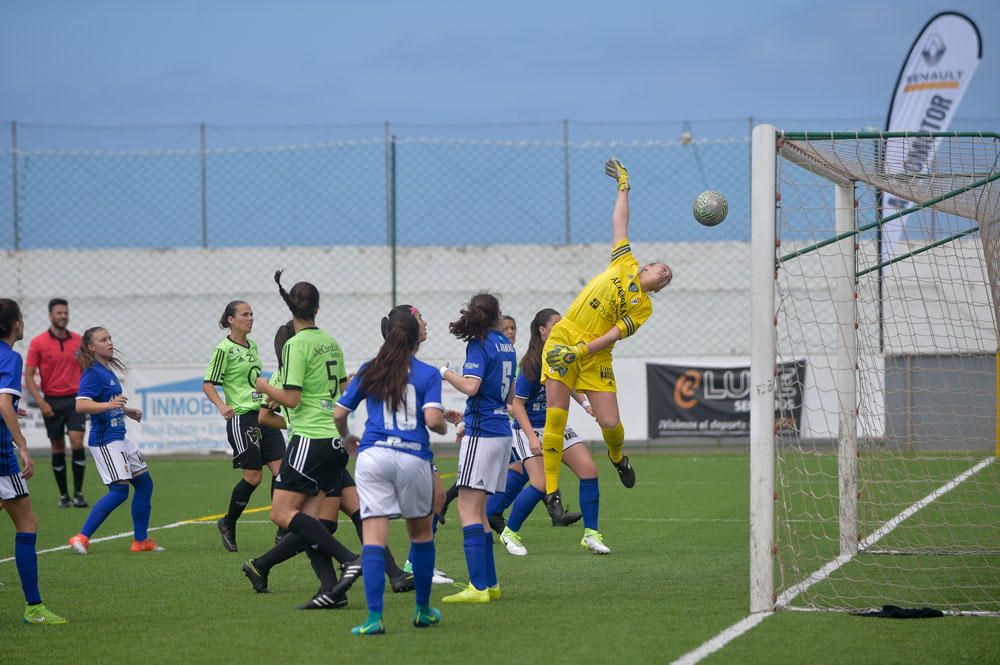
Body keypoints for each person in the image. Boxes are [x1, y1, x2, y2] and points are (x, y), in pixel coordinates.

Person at [540, 159, 672, 522]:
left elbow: (613, 333)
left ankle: (617, 457)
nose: (665, 275)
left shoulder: (643, 308)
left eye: (668, 278)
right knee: (555, 417)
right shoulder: (625, 261)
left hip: (594, 356)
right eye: (662, 269)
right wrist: (624, 186)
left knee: (610, 424)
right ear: (646, 268)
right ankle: (551, 494)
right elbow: (620, 221)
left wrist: (582, 351)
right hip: (563, 338)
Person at [335, 306, 447, 635]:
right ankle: (423, 611)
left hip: (373, 456)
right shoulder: (427, 374)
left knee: (373, 537)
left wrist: (346, 439)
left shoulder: (371, 368)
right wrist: (442, 425)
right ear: (415, 338)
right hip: (413, 457)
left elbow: (339, 414)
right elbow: (432, 421)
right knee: (421, 534)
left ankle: (374, 619)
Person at [248, 271, 355, 610]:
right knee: (310, 523)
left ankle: (350, 559)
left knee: (281, 514)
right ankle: (330, 590)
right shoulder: (332, 342)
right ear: (317, 308)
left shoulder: (295, 345)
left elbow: (291, 400)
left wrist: (264, 387)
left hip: (310, 438)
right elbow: (340, 390)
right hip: (334, 442)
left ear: (291, 309)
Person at [501, 308, 610, 555]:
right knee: (540, 484)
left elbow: (567, 384)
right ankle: (510, 532)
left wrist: (585, 404)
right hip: (530, 428)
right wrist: (530, 437)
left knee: (589, 471)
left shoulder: (561, 354)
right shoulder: (531, 363)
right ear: (542, 330)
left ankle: (591, 534)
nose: (563, 328)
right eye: (557, 324)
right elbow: (517, 404)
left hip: (556, 426)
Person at [439, 293, 516, 604]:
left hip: (482, 430)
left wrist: (445, 372)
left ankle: (477, 587)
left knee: (466, 509)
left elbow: (471, 386)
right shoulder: (507, 345)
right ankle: (491, 584)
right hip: (501, 431)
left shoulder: (480, 344)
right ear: (497, 315)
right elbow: (510, 394)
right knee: (479, 510)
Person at [0, 299, 67, 624]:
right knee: (27, 523)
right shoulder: (10, 356)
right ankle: (34, 607)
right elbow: (2, 402)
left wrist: (11, 409)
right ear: (15, 324)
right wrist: (22, 445)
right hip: (0, 456)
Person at [68, 327, 161, 554]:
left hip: (119, 437)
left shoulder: (105, 371)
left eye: (109, 338)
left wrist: (126, 411)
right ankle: (81, 537)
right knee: (119, 491)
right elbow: (81, 405)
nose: (109, 342)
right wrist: (110, 405)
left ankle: (140, 541)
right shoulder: (92, 373)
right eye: (103, 339)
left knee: (145, 484)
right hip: (105, 441)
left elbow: (108, 402)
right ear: (91, 347)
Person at [203, 300, 285, 552]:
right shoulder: (223, 349)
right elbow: (208, 383)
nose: (250, 318)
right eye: (245, 314)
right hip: (241, 418)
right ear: (231, 319)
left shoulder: (254, 346)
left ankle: (283, 528)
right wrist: (221, 405)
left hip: (263, 415)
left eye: (252, 314)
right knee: (253, 477)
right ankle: (228, 522)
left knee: (281, 472)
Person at [24, 298, 87, 508]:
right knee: (57, 446)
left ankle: (78, 493)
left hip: (75, 399)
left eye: (65, 313)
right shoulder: (38, 342)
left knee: (77, 442)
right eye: (59, 313)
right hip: (51, 401)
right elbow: (29, 376)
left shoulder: (78, 340)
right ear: (50, 316)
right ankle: (64, 496)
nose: (63, 316)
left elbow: (87, 369)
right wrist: (41, 402)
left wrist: (88, 394)